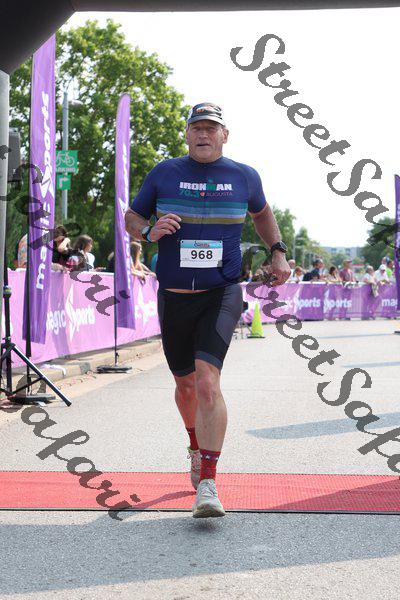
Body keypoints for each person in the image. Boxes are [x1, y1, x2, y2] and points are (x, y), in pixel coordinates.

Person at [125, 102, 290, 519]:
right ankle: (195, 448)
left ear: (224, 135)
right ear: (186, 134)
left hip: (221, 292)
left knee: (207, 382)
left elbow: (262, 214)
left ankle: (209, 484)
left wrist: (278, 251)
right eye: (196, 127)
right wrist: (148, 231)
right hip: (175, 295)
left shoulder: (244, 176)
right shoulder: (164, 173)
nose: (203, 134)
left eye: (211, 128)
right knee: (184, 385)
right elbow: (132, 217)